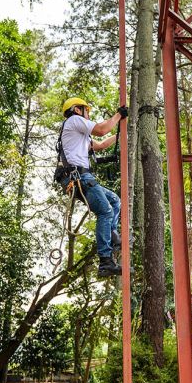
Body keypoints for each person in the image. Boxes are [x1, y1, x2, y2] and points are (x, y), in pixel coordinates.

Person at [56, 97, 127, 277]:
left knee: (114, 201)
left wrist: (124, 134)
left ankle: (112, 236)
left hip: (78, 177)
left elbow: (101, 144)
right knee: (105, 211)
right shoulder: (73, 120)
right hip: (78, 176)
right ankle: (105, 261)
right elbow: (102, 130)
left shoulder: (78, 134)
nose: (88, 114)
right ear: (77, 110)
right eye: (86, 110)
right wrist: (118, 115)